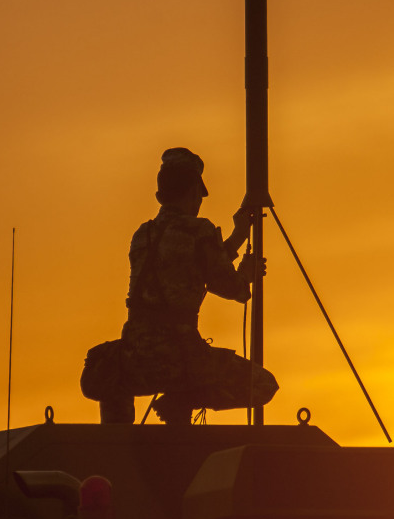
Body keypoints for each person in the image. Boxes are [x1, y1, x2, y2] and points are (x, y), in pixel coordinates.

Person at [111, 147, 278, 425]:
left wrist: (236, 237)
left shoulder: (144, 234)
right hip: (178, 353)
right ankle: (182, 400)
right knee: (262, 385)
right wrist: (246, 273)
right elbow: (233, 289)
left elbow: (189, 269)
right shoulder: (199, 231)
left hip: (135, 351)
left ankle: (126, 432)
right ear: (192, 193)